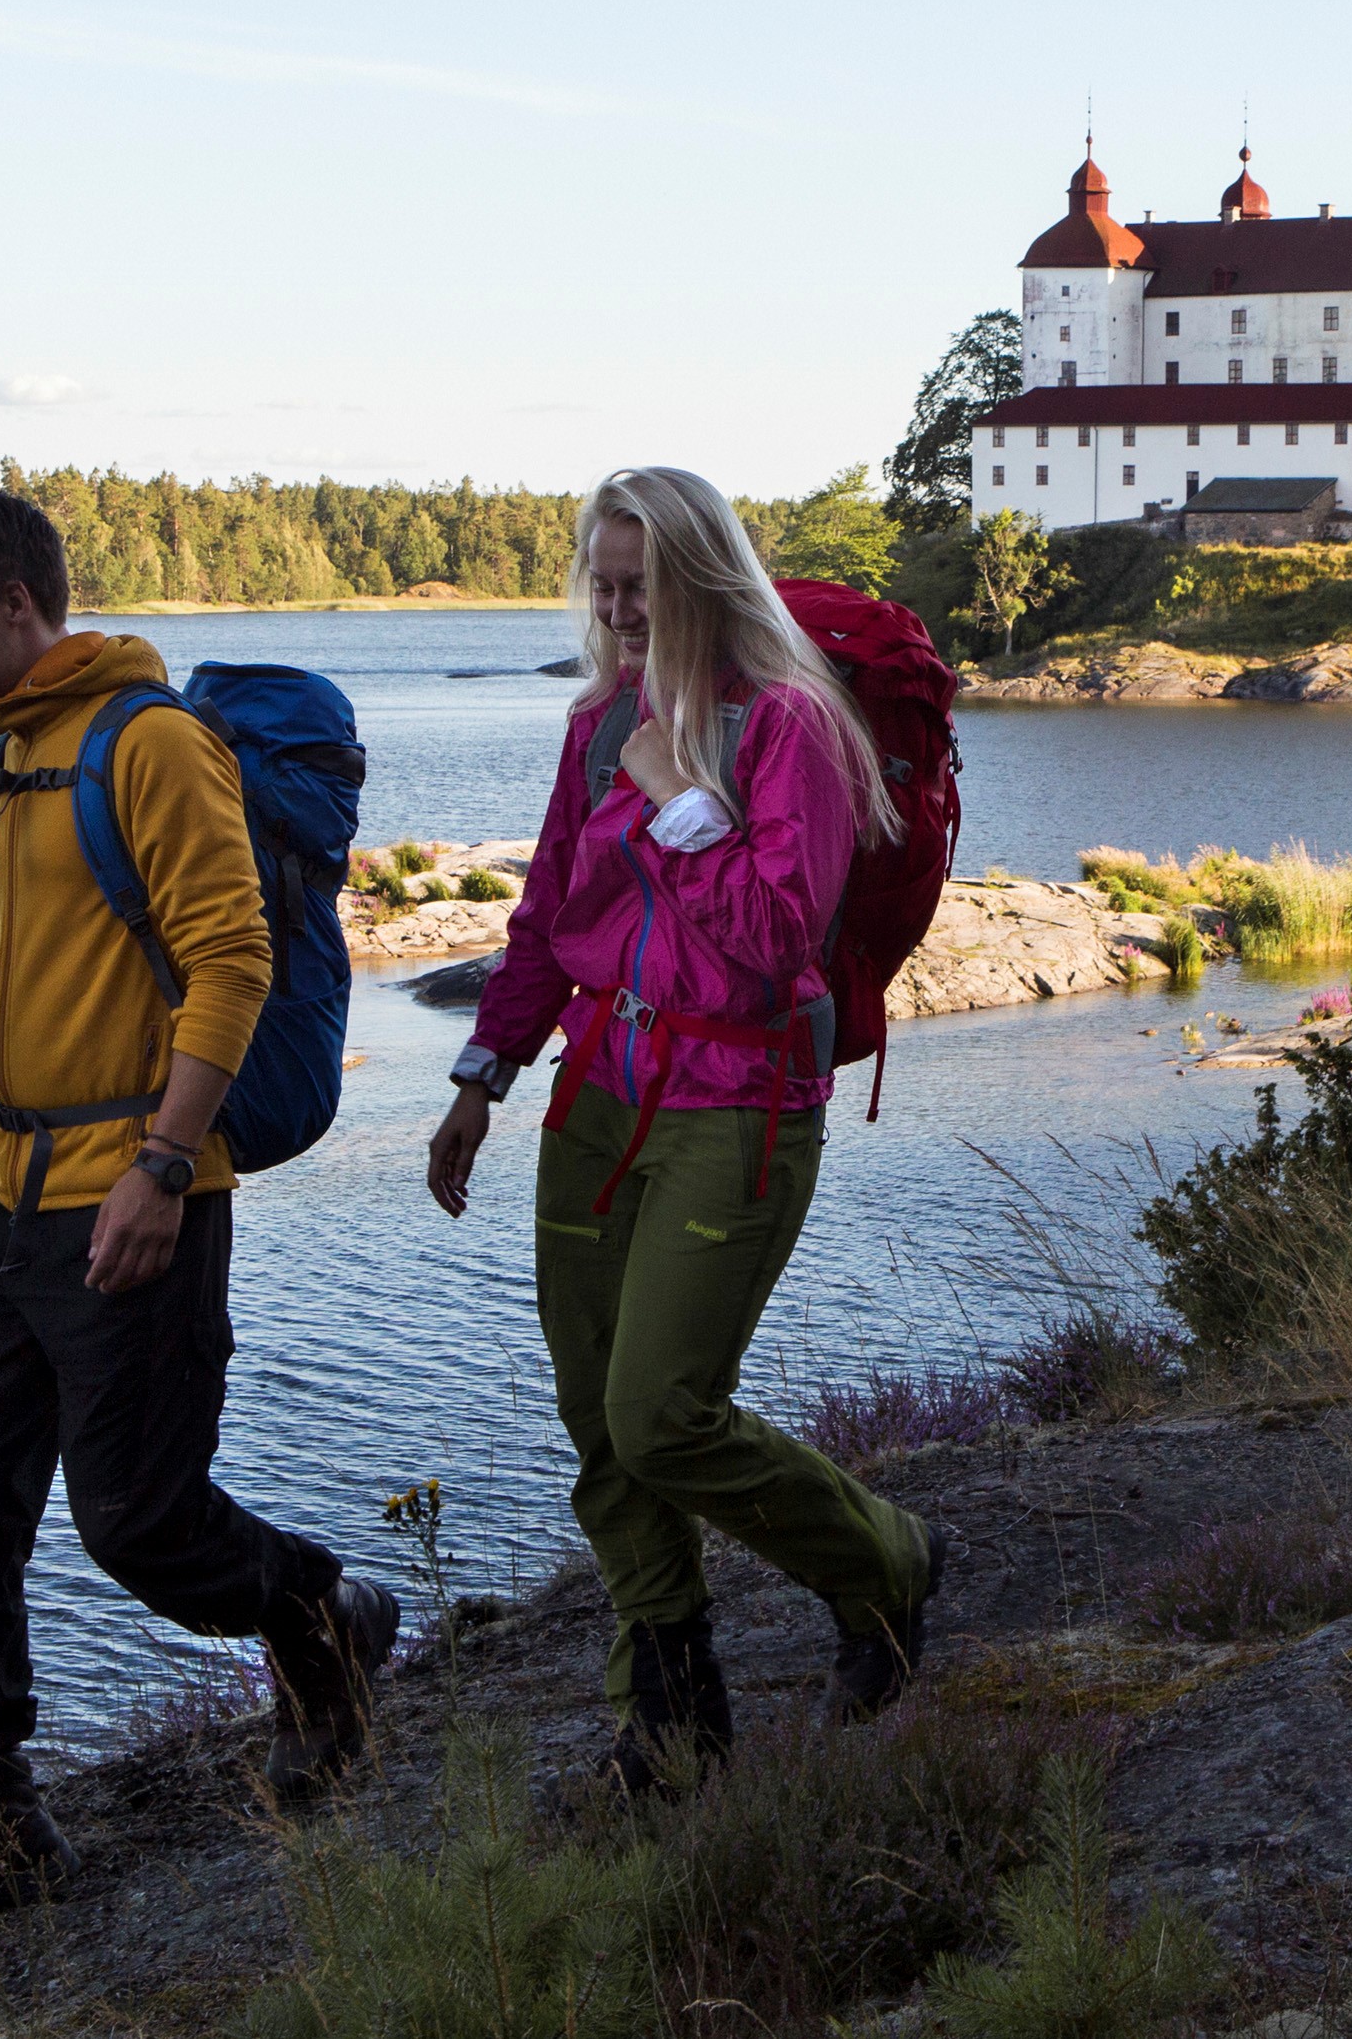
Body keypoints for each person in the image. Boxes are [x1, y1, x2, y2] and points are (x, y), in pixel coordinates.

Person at [0, 485, 397, 1968]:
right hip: (2, 1196)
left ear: (19, 606)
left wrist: (164, 1162)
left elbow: (230, 956)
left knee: (140, 1521)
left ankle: (325, 1611)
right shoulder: (10, 758)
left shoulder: (144, 744)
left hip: (135, 1193)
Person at [424, 466, 944, 1791]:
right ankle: (666, 1704)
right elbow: (546, 915)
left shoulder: (792, 728)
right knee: (597, 1422)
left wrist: (674, 791)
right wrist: (482, 1075)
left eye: (635, 585)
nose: (612, 608)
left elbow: (772, 941)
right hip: (596, 1091)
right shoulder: (597, 722)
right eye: (598, 584)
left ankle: (884, 1562)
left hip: (739, 1100)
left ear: (701, 582)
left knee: (659, 1413)